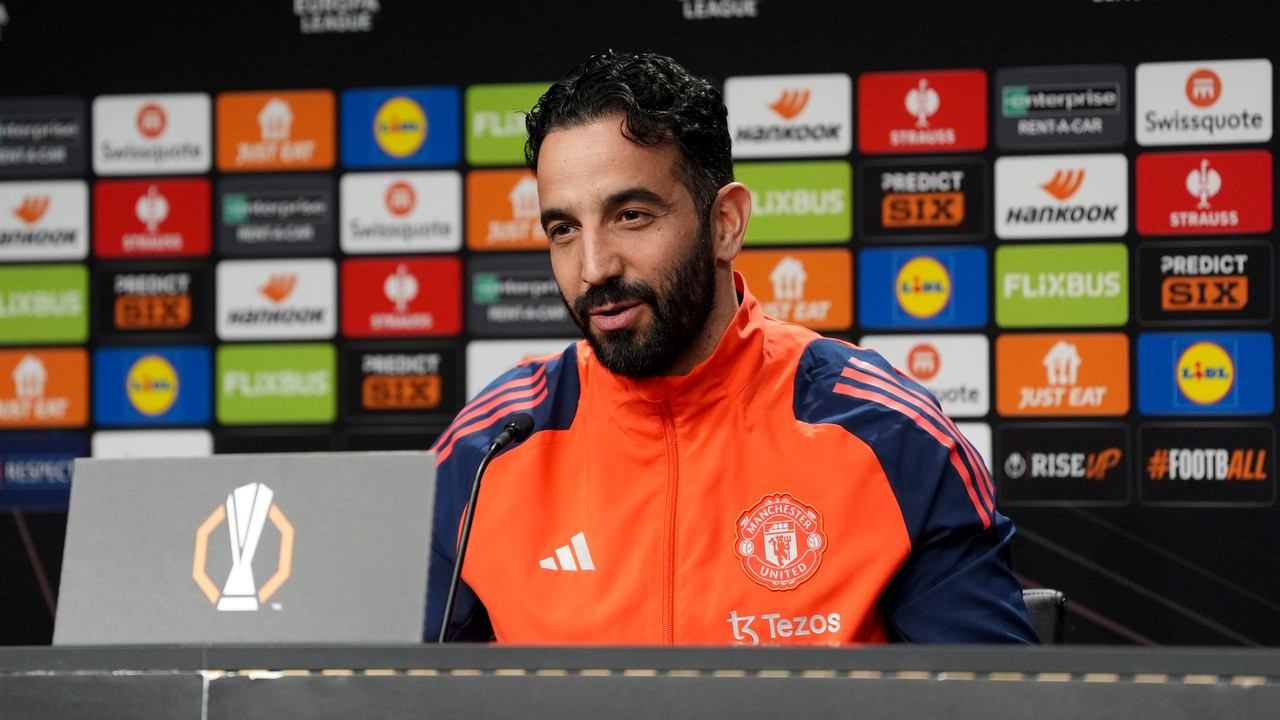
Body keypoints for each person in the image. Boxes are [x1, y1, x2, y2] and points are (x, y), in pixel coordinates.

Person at [427, 51, 1037, 644]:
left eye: (632, 215)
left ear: (726, 223)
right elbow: (385, 691)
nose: (593, 268)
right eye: (564, 229)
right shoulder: (488, 451)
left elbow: (996, 702)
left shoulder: (885, 433)